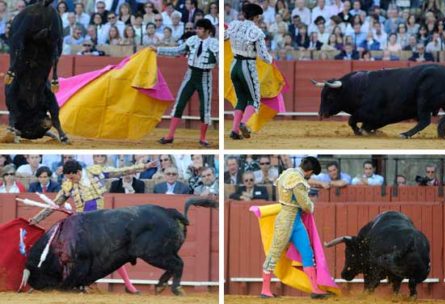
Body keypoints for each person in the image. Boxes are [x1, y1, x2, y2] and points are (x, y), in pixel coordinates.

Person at [29, 159, 157, 294]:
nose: (71, 180)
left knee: (115, 252)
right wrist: (37, 218)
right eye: (68, 178)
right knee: (69, 253)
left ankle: (129, 285)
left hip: (100, 222)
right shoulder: (68, 184)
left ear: (78, 172)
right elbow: (54, 204)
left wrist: (144, 167)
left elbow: (121, 171)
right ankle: (60, 283)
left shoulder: (95, 173)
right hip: (82, 225)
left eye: (72, 177)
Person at [259, 156, 330, 299]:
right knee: (274, 253)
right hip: (286, 220)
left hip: (294, 220)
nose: (311, 176)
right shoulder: (298, 181)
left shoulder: (287, 173)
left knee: (307, 252)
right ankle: (265, 290)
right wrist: (311, 206)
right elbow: (305, 205)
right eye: (312, 174)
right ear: (309, 171)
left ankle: (315, 289)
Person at [154, 19, 217, 147]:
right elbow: (178, 51)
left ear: (207, 30)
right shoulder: (192, 40)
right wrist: (158, 50)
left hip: (205, 77)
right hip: (190, 76)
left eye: (200, 28)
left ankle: (203, 138)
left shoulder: (215, 44)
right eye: (197, 28)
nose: (197, 30)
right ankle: (170, 136)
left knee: (204, 108)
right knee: (179, 104)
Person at [227, 3, 273, 140]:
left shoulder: (234, 25)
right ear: (256, 16)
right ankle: (243, 123)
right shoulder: (256, 32)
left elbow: (223, 37)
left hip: (234, 65)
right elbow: (263, 56)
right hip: (247, 66)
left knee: (241, 99)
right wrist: (271, 60)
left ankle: (234, 131)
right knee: (254, 100)